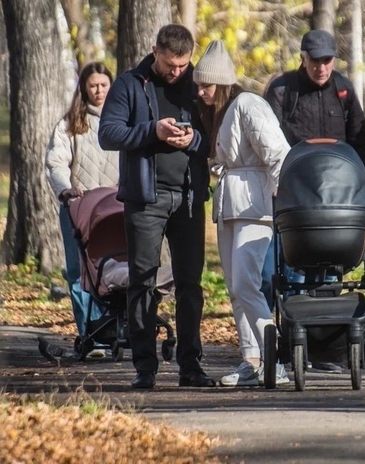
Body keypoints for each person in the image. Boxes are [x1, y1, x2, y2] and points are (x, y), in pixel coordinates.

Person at [98, 24, 215, 389]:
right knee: (143, 281)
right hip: (145, 198)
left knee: (190, 284)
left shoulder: (198, 84)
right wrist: (153, 131)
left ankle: (190, 366)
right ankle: (145, 368)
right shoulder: (130, 83)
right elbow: (108, 133)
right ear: (154, 51)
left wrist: (194, 139)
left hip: (189, 196)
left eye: (182, 65)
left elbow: (216, 134)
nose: (176, 72)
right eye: (169, 65)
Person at [264, 28, 365, 373]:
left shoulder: (342, 89)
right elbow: (268, 138)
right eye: (316, 61)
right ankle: (299, 342)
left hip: (338, 191)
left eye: (328, 61)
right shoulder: (283, 90)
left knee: (331, 267)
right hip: (296, 193)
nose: (322, 68)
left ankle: (328, 345)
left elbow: (359, 136)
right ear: (303, 58)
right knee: (294, 269)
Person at [194, 40, 291, 387]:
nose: (201, 91)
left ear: (222, 83)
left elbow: (278, 154)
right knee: (235, 289)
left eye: (207, 85)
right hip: (230, 203)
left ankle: (275, 358)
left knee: (246, 283)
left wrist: (281, 197)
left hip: (256, 204)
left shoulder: (248, 104)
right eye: (199, 85)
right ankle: (251, 358)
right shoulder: (218, 111)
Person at [45, 62, 118, 358]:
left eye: (104, 85)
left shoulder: (120, 121)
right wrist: (65, 189)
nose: (99, 91)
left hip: (115, 209)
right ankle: (90, 335)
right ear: (84, 89)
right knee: (79, 273)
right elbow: (56, 162)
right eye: (93, 85)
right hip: (79, 208)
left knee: (109, 272)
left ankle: (110, 331)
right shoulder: (70, 124)